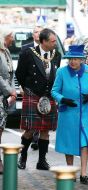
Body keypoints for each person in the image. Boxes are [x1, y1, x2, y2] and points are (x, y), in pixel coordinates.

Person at [51, 44, 88, 184]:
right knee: (70, 142)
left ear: (81, 60)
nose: (73, 61)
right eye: (71, 58)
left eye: (76, 59)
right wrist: (62, 99)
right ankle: (70, 170)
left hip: (84, 114)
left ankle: (83, 173)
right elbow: (54, 91)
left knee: (84, 143)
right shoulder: (62, 72)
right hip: (68, 114)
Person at [15, 28, 61, 170]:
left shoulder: (56, 54)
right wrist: (28, 89)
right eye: (52, 41)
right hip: (33, 94)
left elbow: (54, 73)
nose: (55, 44)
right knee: (29, 129)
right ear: (44, 41)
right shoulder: (28, 53)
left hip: (48, 96)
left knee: (45, 130)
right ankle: (23, 157)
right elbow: (20, 74)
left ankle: (42, 161)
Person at [21, 25, 44, 151]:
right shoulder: (25, 48)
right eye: (36, 32)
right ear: (33, 34)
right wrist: (22, 85)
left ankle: (37, 139)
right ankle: (28, 143)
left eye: (40, 32)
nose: (38, 34)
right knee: (31, 121)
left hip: (43, 90)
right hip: (30, 88)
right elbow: (21, 70)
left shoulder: (49, 49)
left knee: (41, 117)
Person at [0, 27, 17, 174]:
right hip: (1, 94)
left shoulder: (6, 52)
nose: (13, 39)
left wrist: (13, 92)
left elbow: (11, 74)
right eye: (11, 36)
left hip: (4, 97)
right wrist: (10, 90)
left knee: (1, 127)